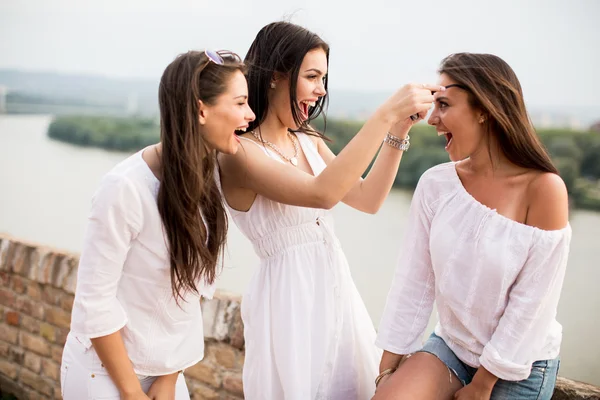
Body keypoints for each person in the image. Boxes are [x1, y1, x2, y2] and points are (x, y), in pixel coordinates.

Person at [217, 21, 443, 399]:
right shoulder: (240, 154)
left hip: (336, 291)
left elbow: (368, 199)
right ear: (276, 76)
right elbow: (323, 193)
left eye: (324, 78)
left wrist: (398, 130)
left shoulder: (306, 140)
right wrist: (384, 112)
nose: (321, 89)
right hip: (289, 300)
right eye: (312, 76)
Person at [373, 53, 571, 400]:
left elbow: (531, 304)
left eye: (444, 105)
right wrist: (387, 371)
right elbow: (414, 280)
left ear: (485, 109)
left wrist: (483, 384)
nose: (432, 119)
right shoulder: (436, 184)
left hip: (519, 365)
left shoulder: (544, 189)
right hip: (451, 347)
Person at [60, 49, 255, 399]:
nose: (250, 115)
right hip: (103, 373)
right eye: (240, 103)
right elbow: (95, 303)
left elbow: (190, 290)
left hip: (166, 373)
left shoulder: (206, 179)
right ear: (200, 110)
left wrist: (168, 377)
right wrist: (132, 393)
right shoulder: (124, 189)